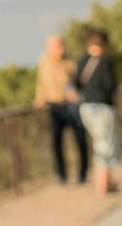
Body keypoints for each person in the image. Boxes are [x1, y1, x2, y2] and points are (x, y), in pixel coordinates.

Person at [34, 35, 88, 185]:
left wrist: (76, 93)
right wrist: (39, 98)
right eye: (53, 46)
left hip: (72, 106)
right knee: (56, 141)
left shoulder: (71, 61)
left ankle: (83, 174)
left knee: (80, 139)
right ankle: (61, 175)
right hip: (54, 105)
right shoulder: (43, 62)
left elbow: (80, 81)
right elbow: (40, 82)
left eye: (59, 46)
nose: (57, 49)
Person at [73, 30, 122, 195]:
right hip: (103, 107)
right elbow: (111, 86)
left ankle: (105, 182)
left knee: (98, 142)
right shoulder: (105, 62)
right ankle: (103, 184)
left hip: (86, 108)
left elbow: (76, 83)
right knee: (106, 144)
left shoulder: (83, 60)